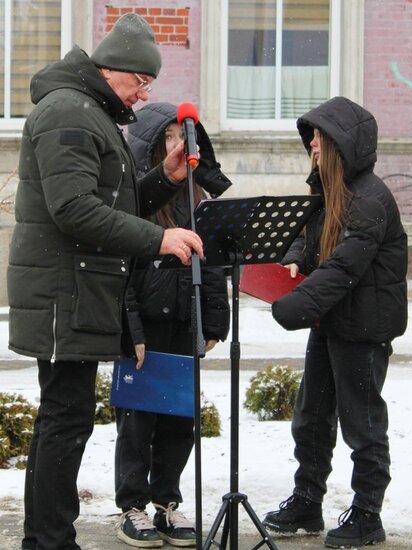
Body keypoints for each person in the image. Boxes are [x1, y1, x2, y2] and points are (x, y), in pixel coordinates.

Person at [7, 14, 204, 550]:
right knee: (65, 422)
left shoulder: (88, 112)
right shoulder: (68, 112)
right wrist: (159, 238)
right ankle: (50, 541)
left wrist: (165, 179)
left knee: (64, 420)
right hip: (63, 293)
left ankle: (46, 539)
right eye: (141, 81)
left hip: (76, 291)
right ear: (113, 69)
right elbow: (74, 209)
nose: (144, 95)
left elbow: (111, 203)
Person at [262, 96, 408, 548]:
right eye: (312, 139)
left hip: (364, 328)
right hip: (330, 321)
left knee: (362, 423)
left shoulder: (369, 199)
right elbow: (308, 238)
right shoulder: (330, 191)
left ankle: (367, 514)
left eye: (320, 139)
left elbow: (344, 267)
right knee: (311, 416)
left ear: (343, 144)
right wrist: (292, 258)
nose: (313, 146)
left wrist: (294, 305)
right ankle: (307, 501)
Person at [114, 102, 232, 548]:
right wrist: (131, 330)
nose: (178, 145)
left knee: (179, 420)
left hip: (185, 322)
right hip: (145, 328)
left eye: (184, 136)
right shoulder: (137, 201)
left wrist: (214, 320)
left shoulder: (197, 201)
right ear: (150, 146)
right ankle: (132, 505)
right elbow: (121, 274)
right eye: (168, 137)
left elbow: (212, 264)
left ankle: (167, 500)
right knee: (137, 422)